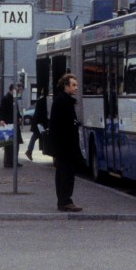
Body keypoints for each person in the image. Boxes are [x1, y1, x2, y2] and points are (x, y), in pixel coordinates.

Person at [48, 73, 84, 212]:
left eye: (76, 85)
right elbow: (63, 127)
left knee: (62, 174)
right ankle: (65, 201)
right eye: (73, 85)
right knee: (67, 175)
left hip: (62, 147)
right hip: (65, 147)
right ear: (66, 86)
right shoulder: (63, 101)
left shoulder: (62, 100)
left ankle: (63, 201)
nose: (76, 88)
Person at [0, 83, 24, 168]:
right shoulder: (6, 99)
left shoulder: (14, 99)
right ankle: (8, 162)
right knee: (9, 145)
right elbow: (1, 110)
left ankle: (14, 161)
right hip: (8, 123)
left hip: (15, 124)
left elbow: (16, 111)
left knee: (15, 144)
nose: (19, 92)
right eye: (18, 90)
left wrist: (19, 117)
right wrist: (1, 120)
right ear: (12, 89)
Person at [25, 89, 48, 161]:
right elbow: (42, 112)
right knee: (36, 136)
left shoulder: (40, 99)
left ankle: (29, 151)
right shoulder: (43, 100)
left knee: (35, 136)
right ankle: (29, 151)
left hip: (37, 122)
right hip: (39, 122)